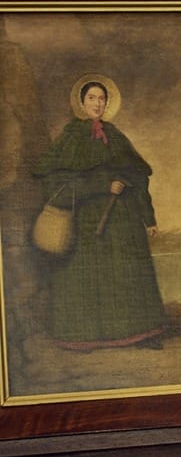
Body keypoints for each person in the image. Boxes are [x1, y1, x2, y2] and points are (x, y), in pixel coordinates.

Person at [31, 77, 168, 350]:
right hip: (85, 222)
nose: (97, 103)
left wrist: (148, 218)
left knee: (128, 273)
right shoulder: (71, 137)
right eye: (91, 98)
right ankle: (85, 337)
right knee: (87, 277)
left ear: (108, 103)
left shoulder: (115, 135)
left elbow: (139, 176)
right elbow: (54, 182)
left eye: (102, 98)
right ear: (81, 103)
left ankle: (139, 333)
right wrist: (102, 185)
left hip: (123, 221)